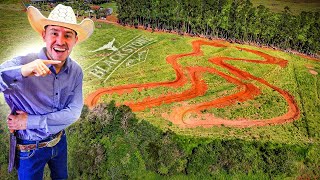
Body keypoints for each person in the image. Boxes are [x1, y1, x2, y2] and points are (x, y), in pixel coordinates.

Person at [0, 4, 94, 179]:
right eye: (54, 33)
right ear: (44, 35)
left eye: (67, 35)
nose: (60, 41)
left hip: (60, 141)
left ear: (75, 40)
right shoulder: (23, 62)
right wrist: (23, 72)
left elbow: (73, 113)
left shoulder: (76, 71)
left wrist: (29, 121)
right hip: (30, 148)